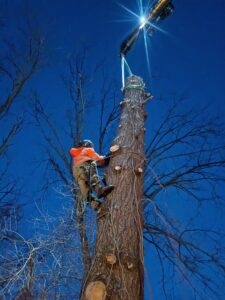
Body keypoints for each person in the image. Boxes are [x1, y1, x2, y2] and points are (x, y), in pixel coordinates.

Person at [70, 139, 114, 210]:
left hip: (77, 173)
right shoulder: (86, 149)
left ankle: (95, 205)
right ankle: (99, 190)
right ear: (87, 145)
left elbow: (82, 163)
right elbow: (96, 157)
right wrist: (105, 157)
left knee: (85, 190)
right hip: (85, 167)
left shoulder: (77, 155)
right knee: (93, 170)